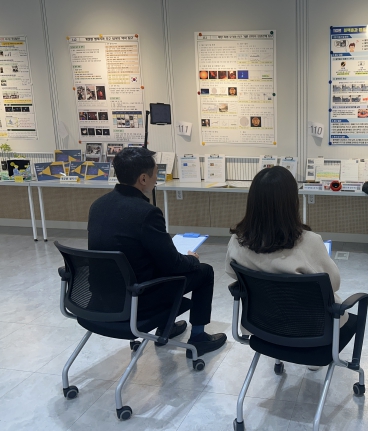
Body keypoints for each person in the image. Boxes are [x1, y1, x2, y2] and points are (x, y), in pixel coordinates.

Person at [88, 147, 226, 357]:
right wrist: (192, 260)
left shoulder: (97, 205)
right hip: (138, 300)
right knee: (204, 272)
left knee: (151, 264)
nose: (156, 179)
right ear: (143, 179)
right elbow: (173, 265)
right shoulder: (147, 213)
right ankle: (199, 339)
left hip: (101, 299)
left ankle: (166, 328)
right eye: (155, 174)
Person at [225, 166, 349, 330]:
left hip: (261, 326)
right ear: (292, 201)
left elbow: (232, 272)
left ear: (253, 201)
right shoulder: (310, 242)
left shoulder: (238, 240)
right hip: (311, 330)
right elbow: (333, 284)